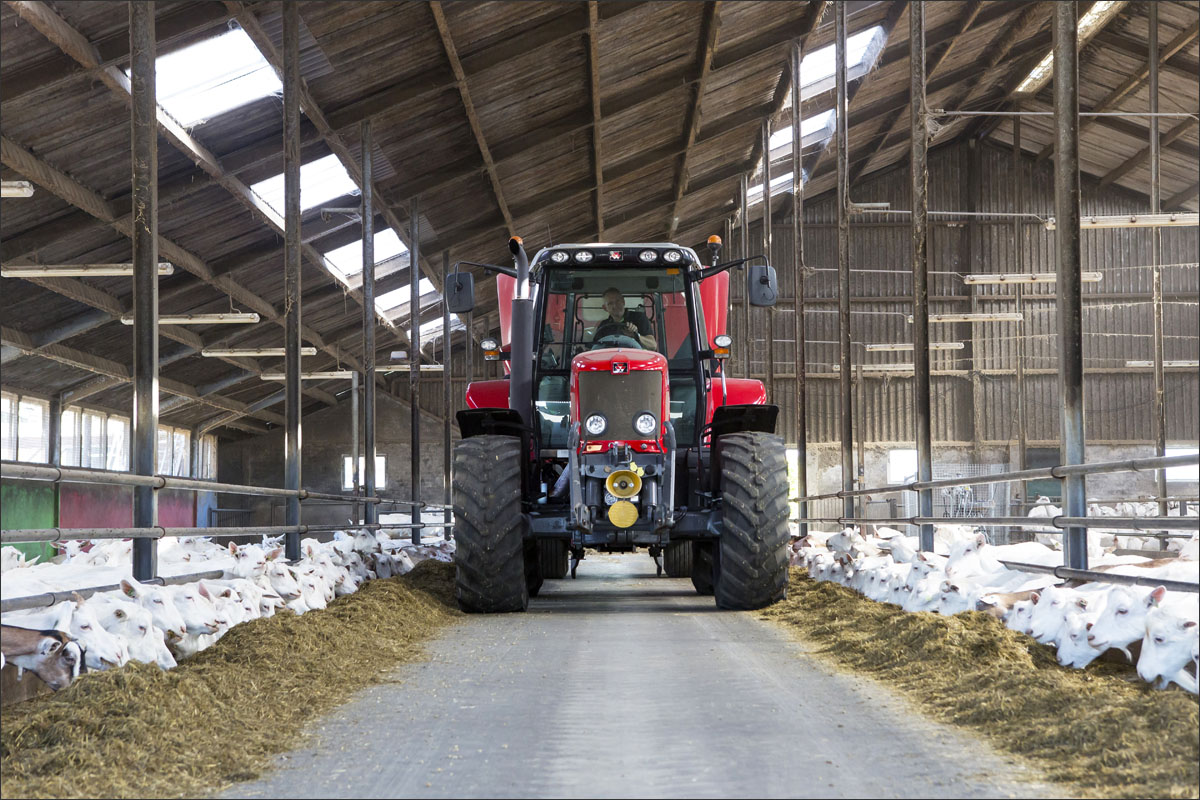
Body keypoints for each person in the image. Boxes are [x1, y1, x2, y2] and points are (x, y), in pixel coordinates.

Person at [591, 287, 656, 350]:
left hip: (636, 359)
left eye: (618, 301)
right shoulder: (603, 326)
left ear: (623, 301)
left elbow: (653, 346)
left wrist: (636, 335)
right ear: (605, 308)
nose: (615, 306)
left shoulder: (639, 318)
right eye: (610, 303)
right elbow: (595, 348)